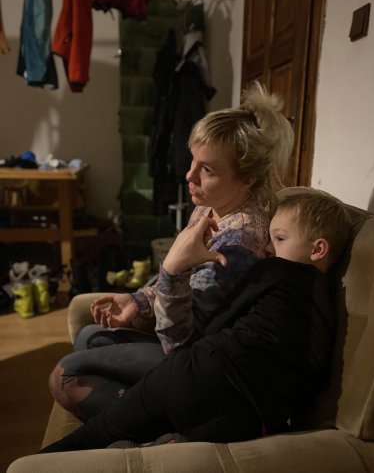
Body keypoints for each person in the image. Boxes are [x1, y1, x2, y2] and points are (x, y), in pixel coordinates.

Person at [48, 82, 294, 421]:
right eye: (193, 160)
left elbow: (180, 344)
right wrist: (137, 301)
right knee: (91, 336)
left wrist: (171, 270)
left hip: (197, 363)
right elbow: (182, 289)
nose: (189, 175)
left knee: (66, 377)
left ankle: (158, 429)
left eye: (207, 169)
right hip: (182, 349)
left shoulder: (238, 242)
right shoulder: (211, 206)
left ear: (248, 179)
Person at [41, 192, 351, 452]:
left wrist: (177, 270)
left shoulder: (276, 270)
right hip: (248, 418)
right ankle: (156, 444)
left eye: (279, 239)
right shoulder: (329, 315)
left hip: (202, 375)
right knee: (154, 443)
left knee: (93, 436)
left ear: (318, 249)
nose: (268, 249)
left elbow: (210, 326)